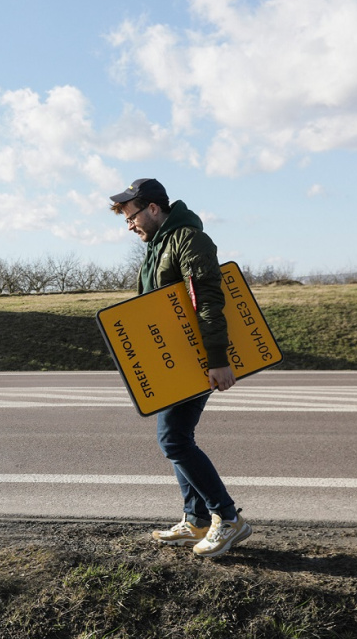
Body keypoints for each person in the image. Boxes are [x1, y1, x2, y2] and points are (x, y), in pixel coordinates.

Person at [109, 178, 252, 558]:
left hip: (196, 361)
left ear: (153, 208)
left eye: (132, 216)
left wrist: (217, 360)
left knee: (173, 439)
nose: (130, 225)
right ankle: (197, 520)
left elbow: (207, 299)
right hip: (174, 363)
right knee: (176, 439)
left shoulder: (188, 239)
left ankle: (227, 518)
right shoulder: (160, 246)